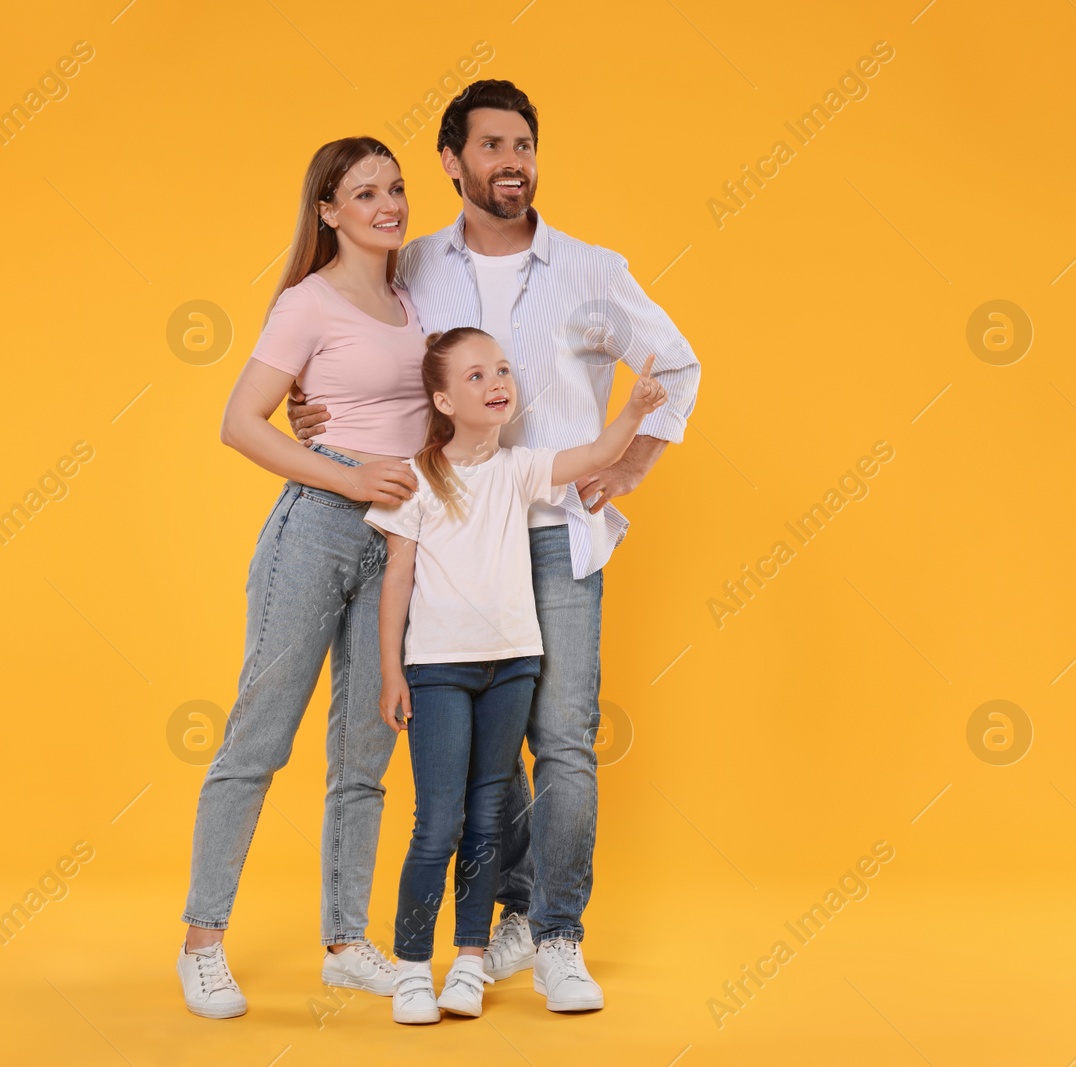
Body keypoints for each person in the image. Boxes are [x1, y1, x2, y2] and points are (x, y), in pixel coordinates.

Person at [288, 79, 702, 1011]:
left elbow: (677, 363)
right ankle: (502, 915)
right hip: (453, 535)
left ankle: (555, 931)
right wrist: (311, 409)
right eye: (491, 145)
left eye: (524, 144)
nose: (512, 161)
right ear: (452, 161)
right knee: (488, 747)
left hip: (553, 533)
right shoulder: (414, 264)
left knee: (561, 737)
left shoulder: (593, 268)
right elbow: (371, 358)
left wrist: (631, 462)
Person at [178, 137, 424, 1018]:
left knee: (367, 750)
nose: (388, 204)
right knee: (260, 735)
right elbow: (241, 422)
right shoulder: (308, 302)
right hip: (318, 528)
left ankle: (348, 942)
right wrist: (350, 473)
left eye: (396, 187)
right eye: (366, 192)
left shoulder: (412, 298)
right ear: (328, 210)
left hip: (400, 544)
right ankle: (203, 941)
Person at [368, 329, 666, 1024]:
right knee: (437, 822)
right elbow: (398, 576)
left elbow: (593, 454)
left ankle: (469, 960)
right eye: (476, 376)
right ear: (443, 399)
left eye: (502, 369)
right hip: (438, 672)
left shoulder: (519, 466)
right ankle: (414, 962)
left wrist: (633, 409)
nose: (497, 381)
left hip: (513, 668)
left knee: (488, 818)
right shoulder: (415, 476)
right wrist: (392, 673)